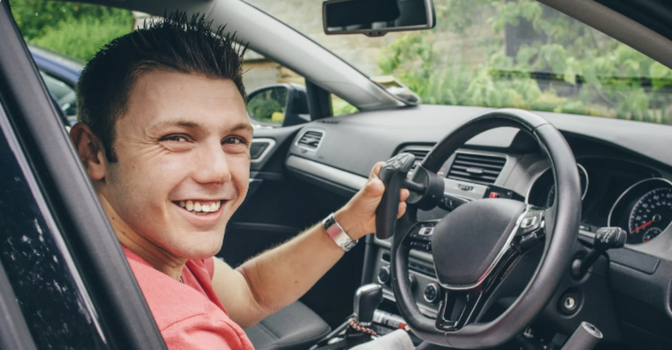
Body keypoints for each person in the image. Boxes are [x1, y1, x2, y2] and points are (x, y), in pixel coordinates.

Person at [69, 12, 410, 349]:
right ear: (93, 152)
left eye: (233, 140)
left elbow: (250, 292)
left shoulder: (116, 245)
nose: (218, 172)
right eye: (177, 137)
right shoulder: (185, 335)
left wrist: (351, 221)